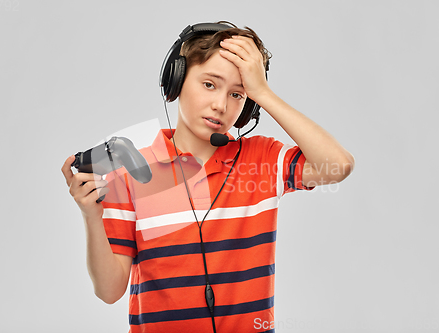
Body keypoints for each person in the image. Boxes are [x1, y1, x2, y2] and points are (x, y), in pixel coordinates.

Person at [61, 21, 354, 333]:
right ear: (175, 81)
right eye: (210, 85)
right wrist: (91, 216)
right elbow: (109, 291)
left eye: (238, 95)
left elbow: (337, 165)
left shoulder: (263, 159)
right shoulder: (131, 170)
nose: (221, 106)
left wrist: (263, 92)